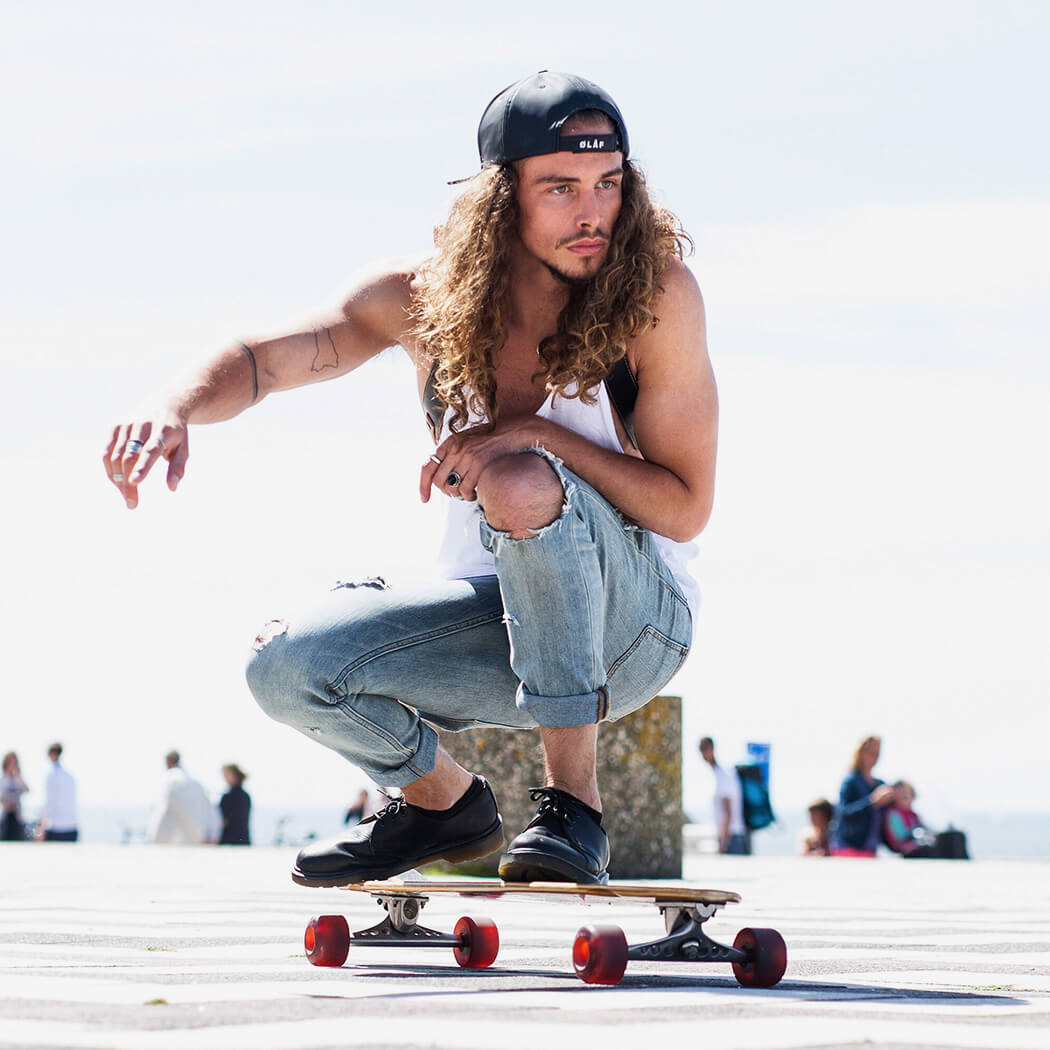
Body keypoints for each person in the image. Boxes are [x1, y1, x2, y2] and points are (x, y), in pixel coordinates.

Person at [104, 71, 717, 888]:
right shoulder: (421, 300)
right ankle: (442, 804)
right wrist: (172, 405)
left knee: (520, 479)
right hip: (502, 629)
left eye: (609, 184)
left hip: (635, 631)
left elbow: (685, 507)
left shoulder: (654, 296)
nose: (592, 213)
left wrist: (537, 435)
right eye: (561, 188)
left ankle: (575, 808)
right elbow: (266, 361)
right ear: (500, 196)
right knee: (287, 667)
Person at [831, 735, 895, 857]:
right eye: (871, 752)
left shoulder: (880, 784)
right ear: (860, 753)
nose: (874, 757)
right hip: (849, 848)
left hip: (871, 849)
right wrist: (872, 802)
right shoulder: (851, 781)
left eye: (877, 753)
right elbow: (844, 814)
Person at [147, 751, 217, 844]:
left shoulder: (173, 779)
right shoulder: (194, 781)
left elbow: (178, 808)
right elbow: (208, 807)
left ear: (168, 761)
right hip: (190, 836)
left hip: (175, 837)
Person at [698, 737, 749, 855]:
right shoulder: (719, 774)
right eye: (700, 749)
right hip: (730, 836)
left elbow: (727, 812)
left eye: (705, 748)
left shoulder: (723, 775)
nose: (702, 752)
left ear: (712, 749)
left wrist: (723, 844)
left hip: (731, 838)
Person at [40, 742, 79, 842]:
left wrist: (41, 828)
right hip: (72, 827)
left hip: (56, 828)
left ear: (52, 755)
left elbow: (49, 804)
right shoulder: (70, 776)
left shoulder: (51, 776)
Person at [219, 763, 252, 845]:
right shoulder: (246, 796)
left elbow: (223, 821)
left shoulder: (228, 796)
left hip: (229, 840)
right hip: (244, 839)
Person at [1, 751, 28, 842]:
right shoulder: (3, 779)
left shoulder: (18, 778)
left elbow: (27, 790)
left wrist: (18, 777)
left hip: (18, 816)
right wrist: (5, 802)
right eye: (10, 762)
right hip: (5, 817)